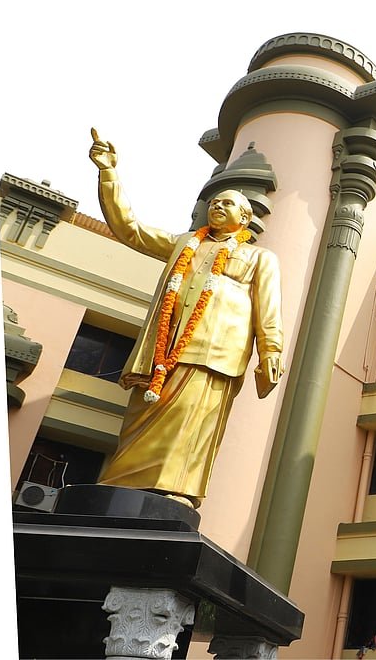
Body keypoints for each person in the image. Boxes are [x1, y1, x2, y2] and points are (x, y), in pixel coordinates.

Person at [88, 128, 284, 509]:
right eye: (215, 202)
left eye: (227, 204)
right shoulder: (184, 244)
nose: (218, 207)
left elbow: (268, 308)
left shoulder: (259, 258)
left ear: (244, 218)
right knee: (141, 420)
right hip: (164, 352)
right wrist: (108, 172)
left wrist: (271, 351)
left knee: (193, 424)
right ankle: (122, 483)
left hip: (215, 355)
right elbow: (131, 230)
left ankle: (177, 490)